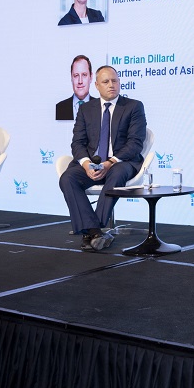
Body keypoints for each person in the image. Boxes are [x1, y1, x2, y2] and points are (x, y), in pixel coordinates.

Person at [59, 65, 147, 251]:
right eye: (106, 82)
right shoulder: (86, 109)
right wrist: (86, 164)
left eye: (115, 81)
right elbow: (77, 143)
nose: (111, 85)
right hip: (93, 163)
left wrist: (110, 162)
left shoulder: (133, 106)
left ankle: (91, 230)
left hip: (121, 162)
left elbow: (135, 143)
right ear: (97, 85)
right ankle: (96, 232)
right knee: (68, 178)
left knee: (116, 172)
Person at [55, 55, 94, 121]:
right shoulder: (59, 108)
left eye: (84, 75)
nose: (80, 81)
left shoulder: (101, 108)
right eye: (76, 75)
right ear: (71, 78)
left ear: (91, 77)